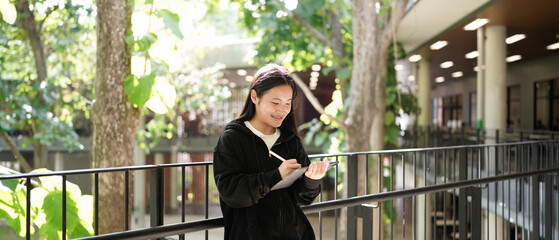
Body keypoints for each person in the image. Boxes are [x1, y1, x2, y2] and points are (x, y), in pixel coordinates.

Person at [213, 64, 330, 240]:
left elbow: (302, 199)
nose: (282, 110)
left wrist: (311, 181)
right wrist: (276, 176)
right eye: (275, 102)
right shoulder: (233, 139)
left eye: (287, 103)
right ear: (254, 96)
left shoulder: (290, 141)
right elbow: (231, 192)